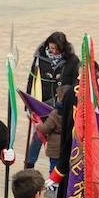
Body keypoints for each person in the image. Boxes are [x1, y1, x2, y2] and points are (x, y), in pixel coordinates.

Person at [26, 33, 80, 167]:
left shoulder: (72, 60)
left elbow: (76, 82)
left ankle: (60, 164)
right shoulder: (40, 57)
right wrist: (28, 103)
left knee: (60, 135)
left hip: (62, 103)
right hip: (42, 101)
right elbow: (32, 78)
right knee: (39, 132)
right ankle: (30, 162)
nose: (54, 52)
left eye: (57, 49)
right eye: (52, 48)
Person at [34, 85, 68, 179]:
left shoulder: (56, 113)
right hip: (67, 145)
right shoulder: (72, 111)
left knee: (54, 168)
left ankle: (52, 188)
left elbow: (45, 129)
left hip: (55, 146)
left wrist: (38, 125)